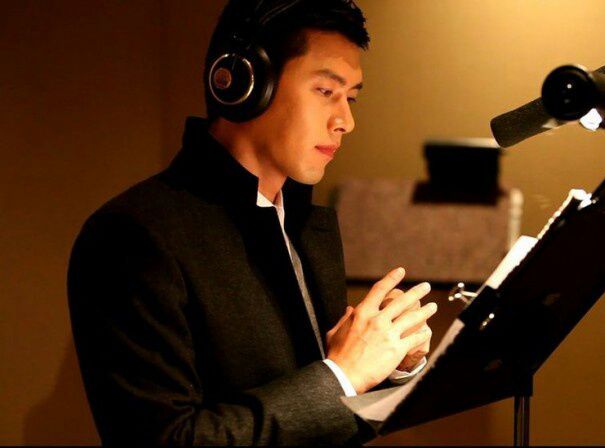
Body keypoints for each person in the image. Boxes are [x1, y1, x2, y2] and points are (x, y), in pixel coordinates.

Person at [67, 0, 437, 445]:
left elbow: (322, 415)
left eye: (351, 97)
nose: (346, 121)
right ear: (244, 82)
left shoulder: (305, 225)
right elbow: (167, 439)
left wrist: (390, 361)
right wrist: (343, 376)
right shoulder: (132, 236)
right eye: (326, 91)